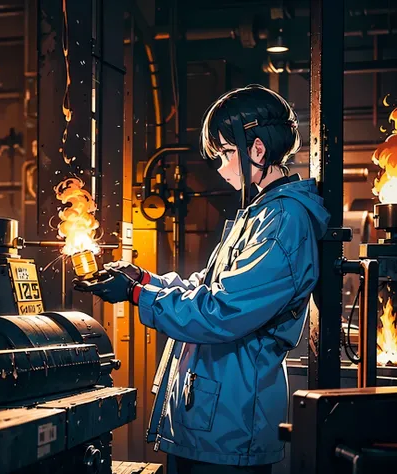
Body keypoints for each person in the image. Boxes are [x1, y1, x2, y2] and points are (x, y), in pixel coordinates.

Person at [74, 84, 330, 474]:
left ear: (257, 150)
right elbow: (207, 290)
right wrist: (143, 279)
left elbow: (222, 311)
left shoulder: (284, 222)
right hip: (215, 413)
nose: (221, 166)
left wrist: (138, 294)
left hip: (234, 418)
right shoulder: (259, 214)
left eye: (225, 153)